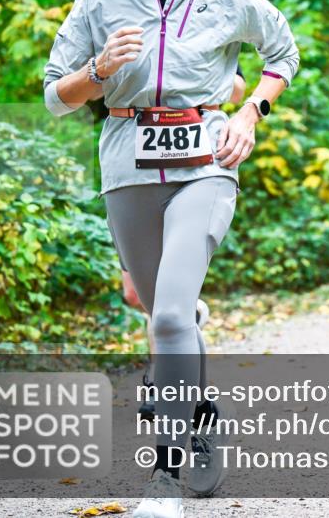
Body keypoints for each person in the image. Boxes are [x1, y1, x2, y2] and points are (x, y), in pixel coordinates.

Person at [43, 0, 299, 517]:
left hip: (205, 163)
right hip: (128, 161)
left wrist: (249, 113)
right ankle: (202, 409)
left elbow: (283, 54)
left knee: (166, 317)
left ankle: (164, 478)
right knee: (159, 308)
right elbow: (55, 96)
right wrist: (98, 70)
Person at [124, 66, 243, 422]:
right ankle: (187, 326)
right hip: (131, 173)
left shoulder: (206, 18)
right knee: (137, 296)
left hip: (194, 175)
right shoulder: (116, 20)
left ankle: (165, 380)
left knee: (167, 308)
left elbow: (236, 90)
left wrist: (182, 76)